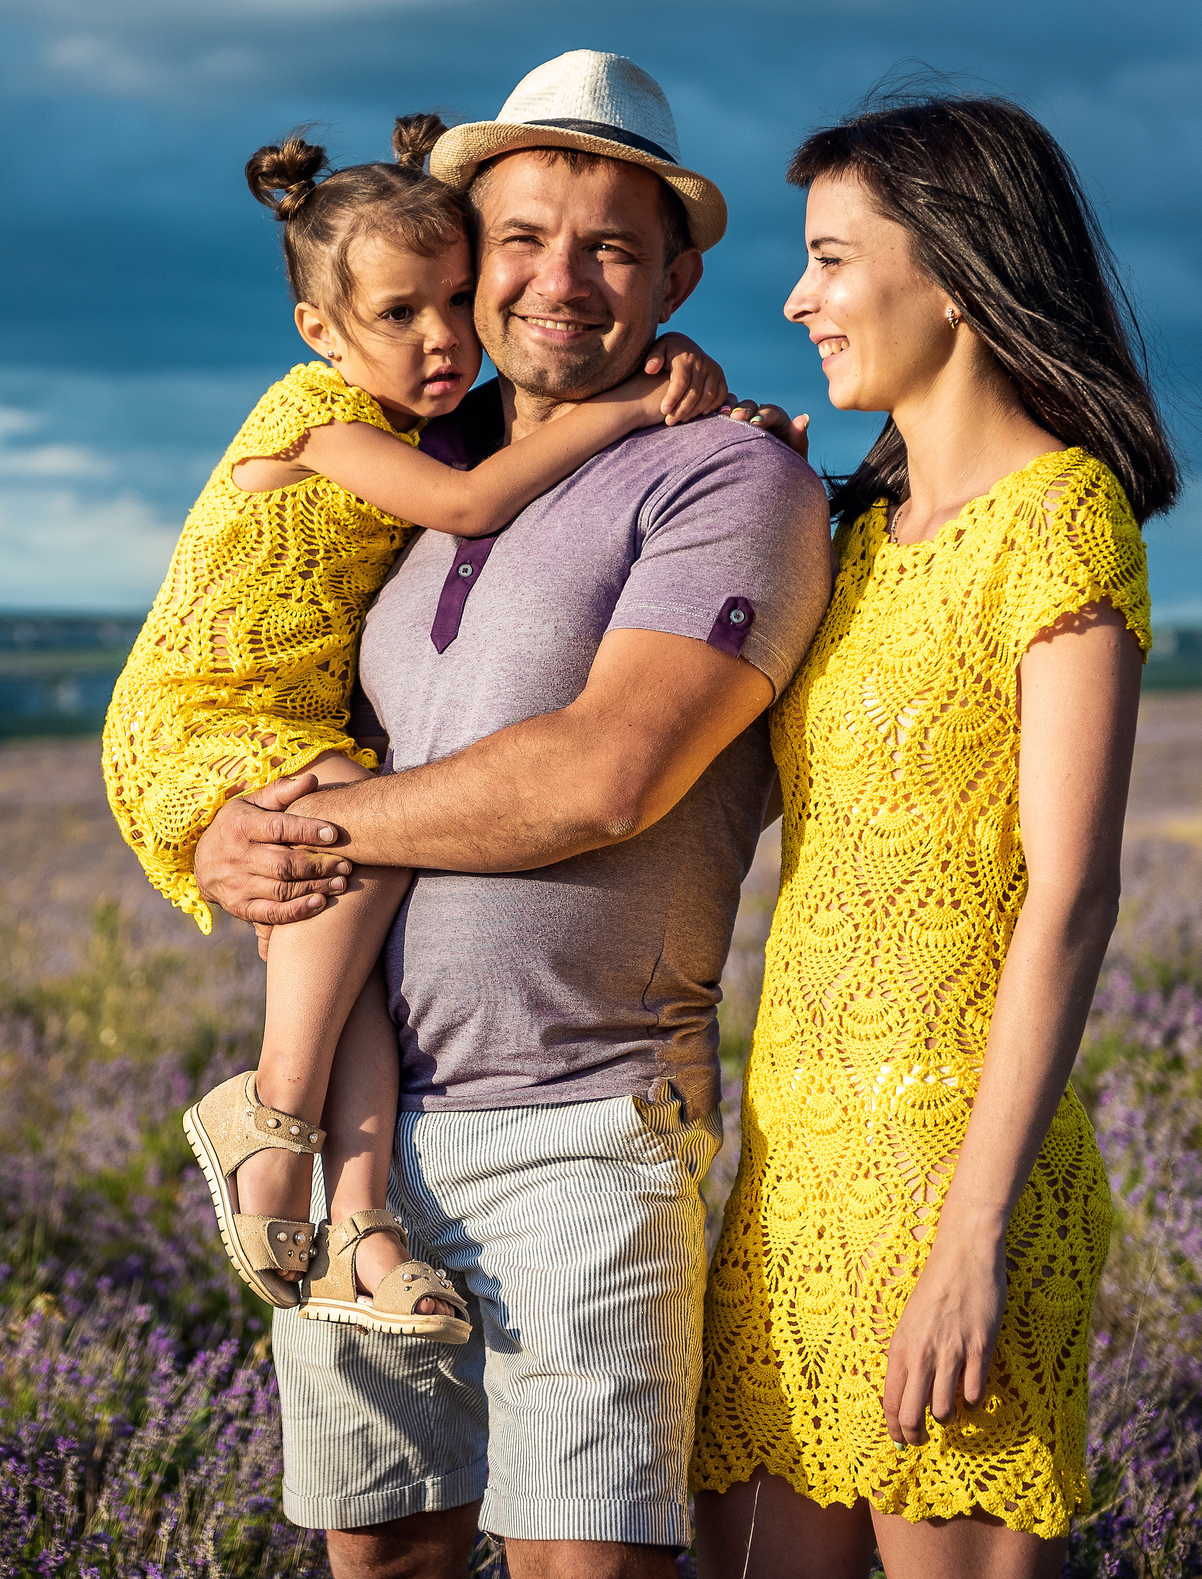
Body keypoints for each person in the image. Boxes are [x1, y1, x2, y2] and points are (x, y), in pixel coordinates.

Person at [190, 50, 834, 1579]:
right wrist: (223, 831)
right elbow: (288, 708)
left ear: (677, 276)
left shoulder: (727, 475)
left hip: (584, 1131)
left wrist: (316, 832)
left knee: (579, 1566)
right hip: (364, 1134)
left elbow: (604, 775)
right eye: (524, 239)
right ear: (469, 258)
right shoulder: (406, 469)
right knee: (384, 1558)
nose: (560, 280)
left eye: (612, 248)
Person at [100, 114, 735, 1339]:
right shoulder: (318, 419)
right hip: (206, 705)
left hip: (281, 713)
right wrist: (625, 407)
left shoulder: (420, 411)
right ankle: (271, 1113)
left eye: (453, 298)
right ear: (319, 330)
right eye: (400, 313)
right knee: (358, 836)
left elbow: (543, 381)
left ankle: (360, 1227)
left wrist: (668, 367)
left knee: (351, 951)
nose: (442, 336)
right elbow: (472, 499)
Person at [690, 89, 1182, 1579]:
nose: (797, 298)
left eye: (832, 259)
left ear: (956, 272)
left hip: (949, 1181)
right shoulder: (848, 534)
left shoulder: (1059, 518)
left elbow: (1071, 899)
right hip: (790, 1172)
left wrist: (971, 1237)